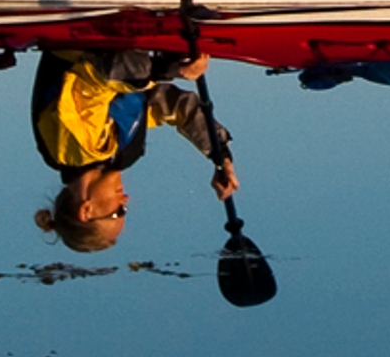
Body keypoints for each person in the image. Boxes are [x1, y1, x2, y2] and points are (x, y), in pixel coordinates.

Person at [27, 41, 238, 254]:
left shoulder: (74, 148)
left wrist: (165, 69)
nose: (125, 200)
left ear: (86, 210)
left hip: (86, 38)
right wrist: (220, 155)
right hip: (123, 44)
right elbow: (169, 105)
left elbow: (98, 75)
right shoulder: (112, 151)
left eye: (119, 211)